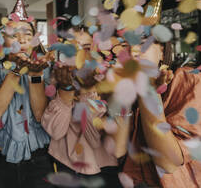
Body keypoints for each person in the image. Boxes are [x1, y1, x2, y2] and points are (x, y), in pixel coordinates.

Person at [0, 0, 54, 188]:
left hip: (38, 158)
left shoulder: (45, 68)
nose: (21, 39)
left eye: (27, 33)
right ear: (3, 41)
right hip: (1, 159)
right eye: (13, 34)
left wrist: (35, 73)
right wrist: (16, 70)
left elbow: (39, 115)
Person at [112, 34, 201, 187]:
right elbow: (118, 152)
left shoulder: (188, 80)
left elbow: (168, 161)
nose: (133, 51)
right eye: (124, 46)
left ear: (161, 50)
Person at [42, 26, 121, 188]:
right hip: (66, 165)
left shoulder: (111, 86)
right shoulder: (58, 81)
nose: (79, 55)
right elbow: (56, 132)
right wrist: (66, 91)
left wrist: (89, 92)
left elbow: (95, 140)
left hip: (104, 169)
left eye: (86, 48)